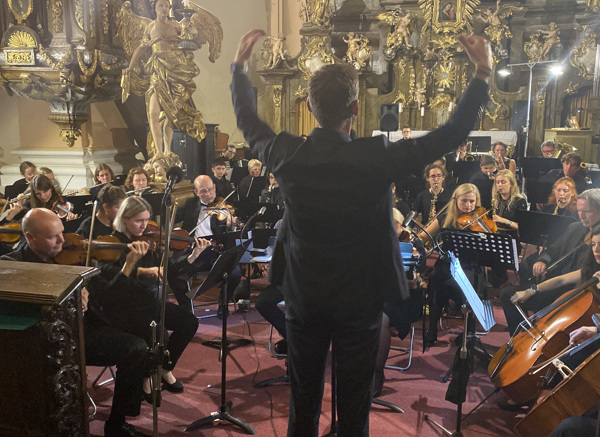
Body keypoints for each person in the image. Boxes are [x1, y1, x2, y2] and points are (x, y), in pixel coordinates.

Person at [231, 29, 490, 435]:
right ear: (355, 106)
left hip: (304, 295)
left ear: (311, 107)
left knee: (303, 400)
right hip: (360, 298)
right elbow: (450, 134)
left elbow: (247, 122)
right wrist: (481, 73)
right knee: (354, 406)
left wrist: (239, 69)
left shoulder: (287, 152)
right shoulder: (376, 156)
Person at [0, 208, 151, 437]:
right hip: (52, 341)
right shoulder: (13, 264)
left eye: (62, 232)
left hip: (87, 325)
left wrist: (87, 288)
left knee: (143, 342)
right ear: (30, 238)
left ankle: (118, 421)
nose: (63, 240)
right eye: (53, 237)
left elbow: (107, 293)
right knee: (134, 347)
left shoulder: (71, 254)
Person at [94, 196, 199, 401]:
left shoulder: (146, 241)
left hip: (146, 302)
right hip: (122, 308)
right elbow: (111, 284)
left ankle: (163, 369)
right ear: (124, 218)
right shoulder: (111, 244)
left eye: (147, 220)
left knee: (189, 322)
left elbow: (165, 273)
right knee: (160, 333)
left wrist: (192, 257)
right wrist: (138, 267)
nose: (145, 227)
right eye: (138, 221)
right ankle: (147, 375)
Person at [497, 228, 600, 413]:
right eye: (593, 244)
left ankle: (540, 396)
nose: (596, 250)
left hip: (594, 332)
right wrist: (532, 290)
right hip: (582, 327)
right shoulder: (593, 270)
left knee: (568, 358)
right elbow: (561, 281)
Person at [501, 189, 600, 334]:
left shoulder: (597, 238)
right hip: (558, 283)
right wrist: (542, 260)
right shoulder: (575, 227)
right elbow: (554, 248)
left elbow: (576, 276)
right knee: (509, 294)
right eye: (579, 210)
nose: (581, 216)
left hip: (578, 291)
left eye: (587, 211)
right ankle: (519, 340)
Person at [122, 0, 205, 161]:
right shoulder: (150, 27)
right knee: (152, 111)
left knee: (169, 113)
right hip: (157, 68)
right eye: (161, 6)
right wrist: (130, 67)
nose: (164, 8)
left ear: (170, 9)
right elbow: (141, 47)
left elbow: (192, 37)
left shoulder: (177, 25)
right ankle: (158, 151)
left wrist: (189, 27)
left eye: (167, 6)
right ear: (155, 8)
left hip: (174, 69)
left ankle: (167, 149)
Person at [420, 184, 493, 345]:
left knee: (470, 283)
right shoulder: (446, 216)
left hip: (471, 266)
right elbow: (423, 236)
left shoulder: (480, 220)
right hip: (448, 263)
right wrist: (416, 243)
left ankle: (469, 331)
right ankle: (432, 329)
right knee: (438, 280)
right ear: (455, 201)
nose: (469, 205)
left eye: (472, 201)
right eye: (464, 201)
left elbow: (490, 248)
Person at [491, 169, 527, 233]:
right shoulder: (496, 199)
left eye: (503, 182)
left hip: (511, 236)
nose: (500, 185)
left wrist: (504, 221)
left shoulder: (520, 201)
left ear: (511, 184)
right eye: (497, 182)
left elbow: (521, 226)